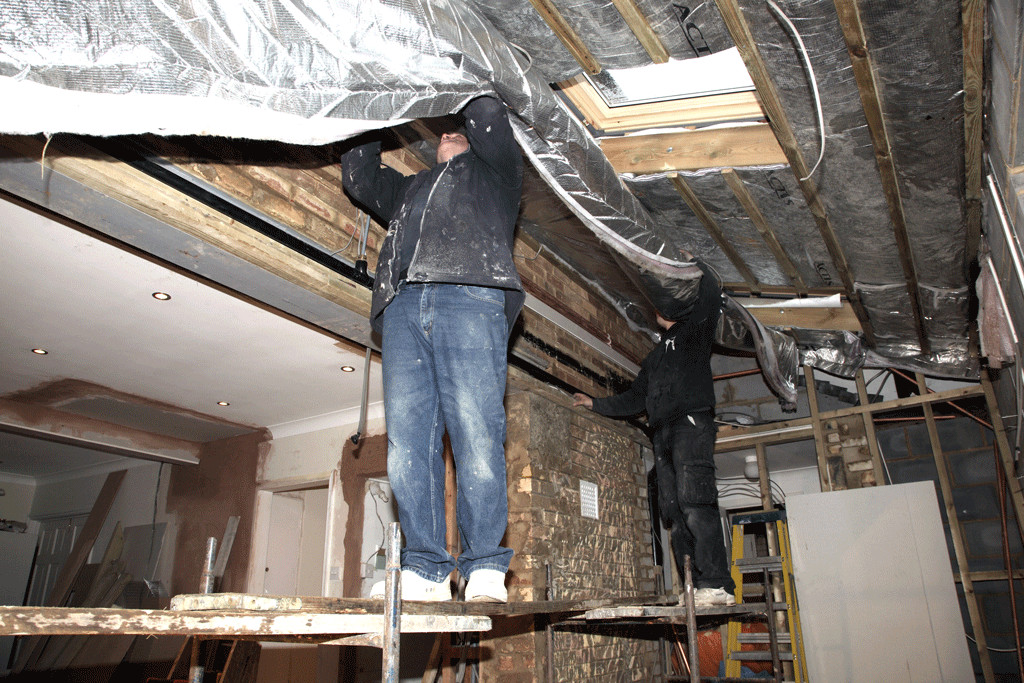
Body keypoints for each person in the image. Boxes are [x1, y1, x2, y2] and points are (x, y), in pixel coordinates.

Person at [341, 95, 524, 603]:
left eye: (456, 132)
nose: (447, 134)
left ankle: (484, 564)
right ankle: (424, 568)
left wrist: (450, 89)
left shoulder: (497, 177)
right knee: (406, 443)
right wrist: (380, 102)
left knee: (476, 431)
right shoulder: (408, 189)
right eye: (441, 133)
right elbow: (358, 174)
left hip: (469, 293)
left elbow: (487, 115)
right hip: (402, 305)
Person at [573, 261, 736, 606]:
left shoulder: (694, 332)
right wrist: (595, 404)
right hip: (661, 434)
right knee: (674, 512)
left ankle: (717, 585)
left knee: (695, 501)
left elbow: (709, 297)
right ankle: (693, 587)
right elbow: (634, 399)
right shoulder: (654, 359)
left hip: (690, 424)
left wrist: (699, 267)